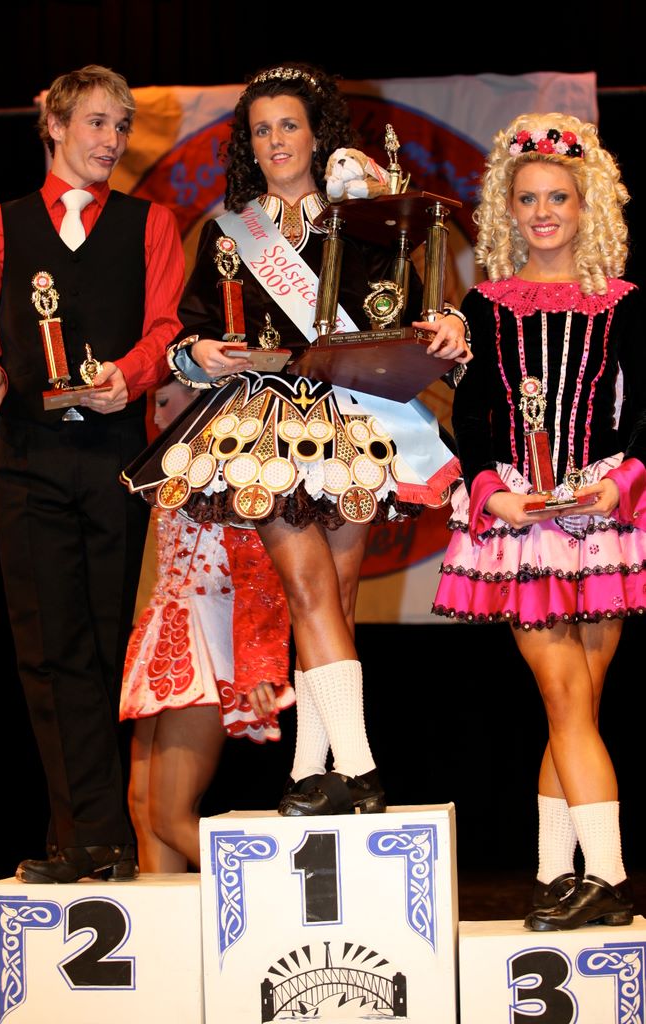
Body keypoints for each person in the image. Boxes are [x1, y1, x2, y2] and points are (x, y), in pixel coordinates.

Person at [124, 62, 471, 816]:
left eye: (289, 125)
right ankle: (362, 769)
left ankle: (312, 773)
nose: (276, 140)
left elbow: (408, 310)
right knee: (308, 589)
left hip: (353, 420)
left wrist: (447, 322)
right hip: (265, 423)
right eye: (262, 130)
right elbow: (189, 336)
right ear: (248, 145)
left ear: (318, 136)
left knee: (334, 601)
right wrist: (202, 353)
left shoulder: (365, 217)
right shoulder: (229, 232)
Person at [0, 65, 185, 882]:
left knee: (103, 639)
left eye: (121, 126)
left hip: (116, 458)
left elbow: (165, 327)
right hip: (27, 458)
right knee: (47, 648)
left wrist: (130, 374)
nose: (111, 140)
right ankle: (86, 835)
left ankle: (103, 832)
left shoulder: (150, 223)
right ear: (53, 126)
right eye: (96, 122)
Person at [433, 113, 645, 929]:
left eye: (557, 196)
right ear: (505, 208)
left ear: (587, 205)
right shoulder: (483, 306)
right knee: (564, 699)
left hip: (601, 519)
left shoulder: (622, 304)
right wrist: (492, 491)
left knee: (575, 707)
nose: (543, 212)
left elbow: (643, 412)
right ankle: (607, 879)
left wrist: (620, 481)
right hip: (523, 521)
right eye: (527, 199)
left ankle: (558, 873)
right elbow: (473, 417)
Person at [122, 378, 293, 871]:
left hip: (207, 636)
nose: (156, 417)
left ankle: (268, 899)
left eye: (162, 401)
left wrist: (261, 663)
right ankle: (166, 921)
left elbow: (261, 572)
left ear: (201, 395)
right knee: (143, 809)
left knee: (171, 814)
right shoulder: (176, 465)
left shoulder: (234, 464)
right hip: (168, 634)